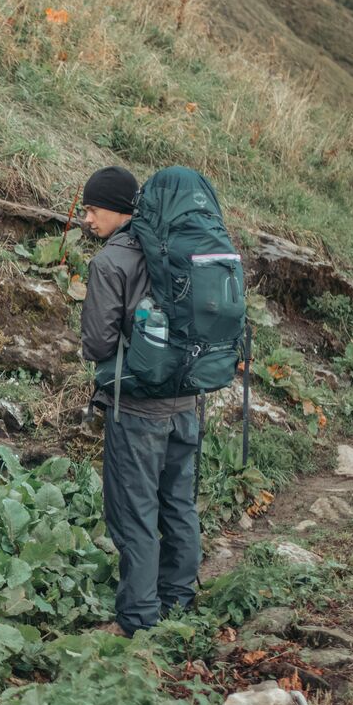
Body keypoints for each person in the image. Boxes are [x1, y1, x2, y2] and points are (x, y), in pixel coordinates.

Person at [79, 166, 201, 638]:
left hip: (137, 409)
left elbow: (97, 342)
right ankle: (180, 603)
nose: (87, 218)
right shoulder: (177, 248)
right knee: (178, 504)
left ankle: (139, 622)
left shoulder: (113, 260)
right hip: (187, 402)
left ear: (119, 210)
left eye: (93, 209)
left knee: (134, 514)